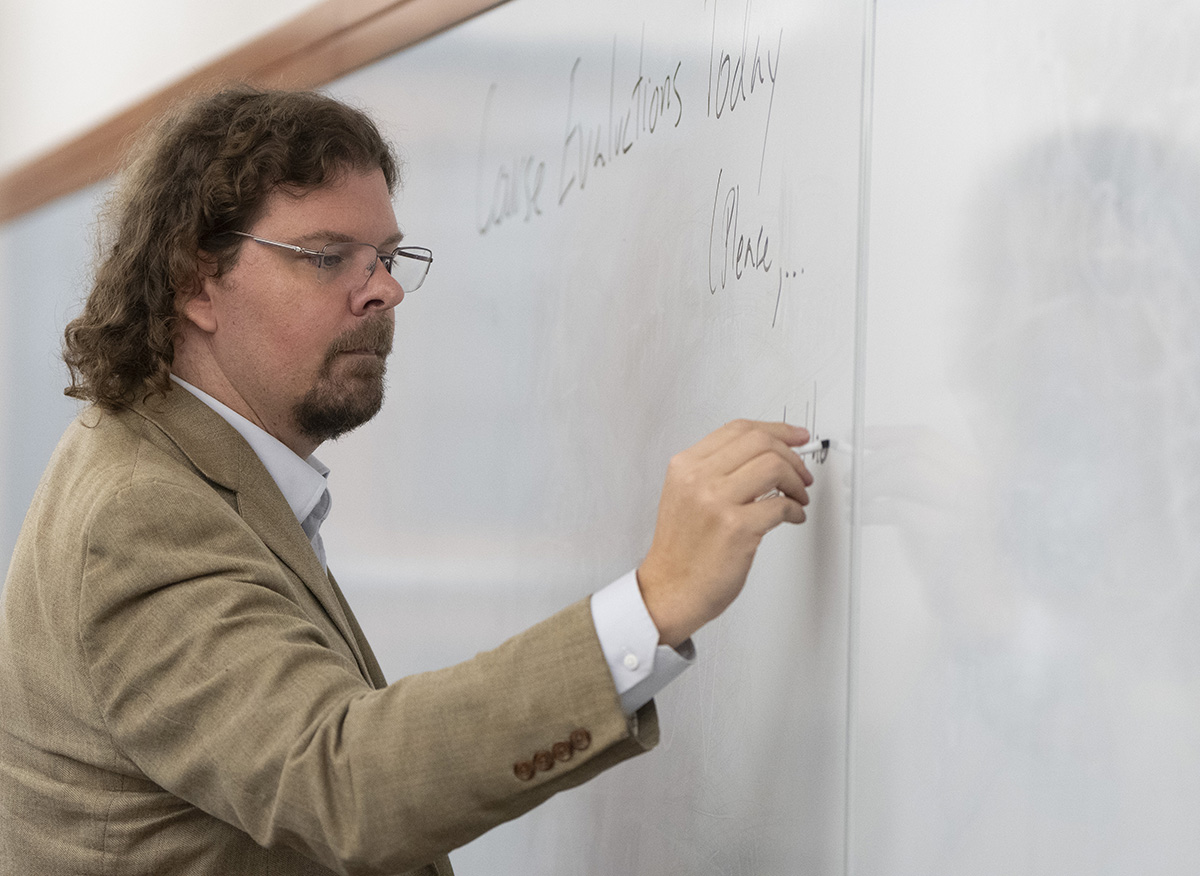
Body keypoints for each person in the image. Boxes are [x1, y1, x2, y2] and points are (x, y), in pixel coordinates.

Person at [0, 87, 815, 875]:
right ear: (195, 284)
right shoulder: (142, 514)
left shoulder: (202, 471)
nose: (384, 289)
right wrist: (655, 602)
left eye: (387, 258)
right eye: (327, 258)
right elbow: (343, 780)